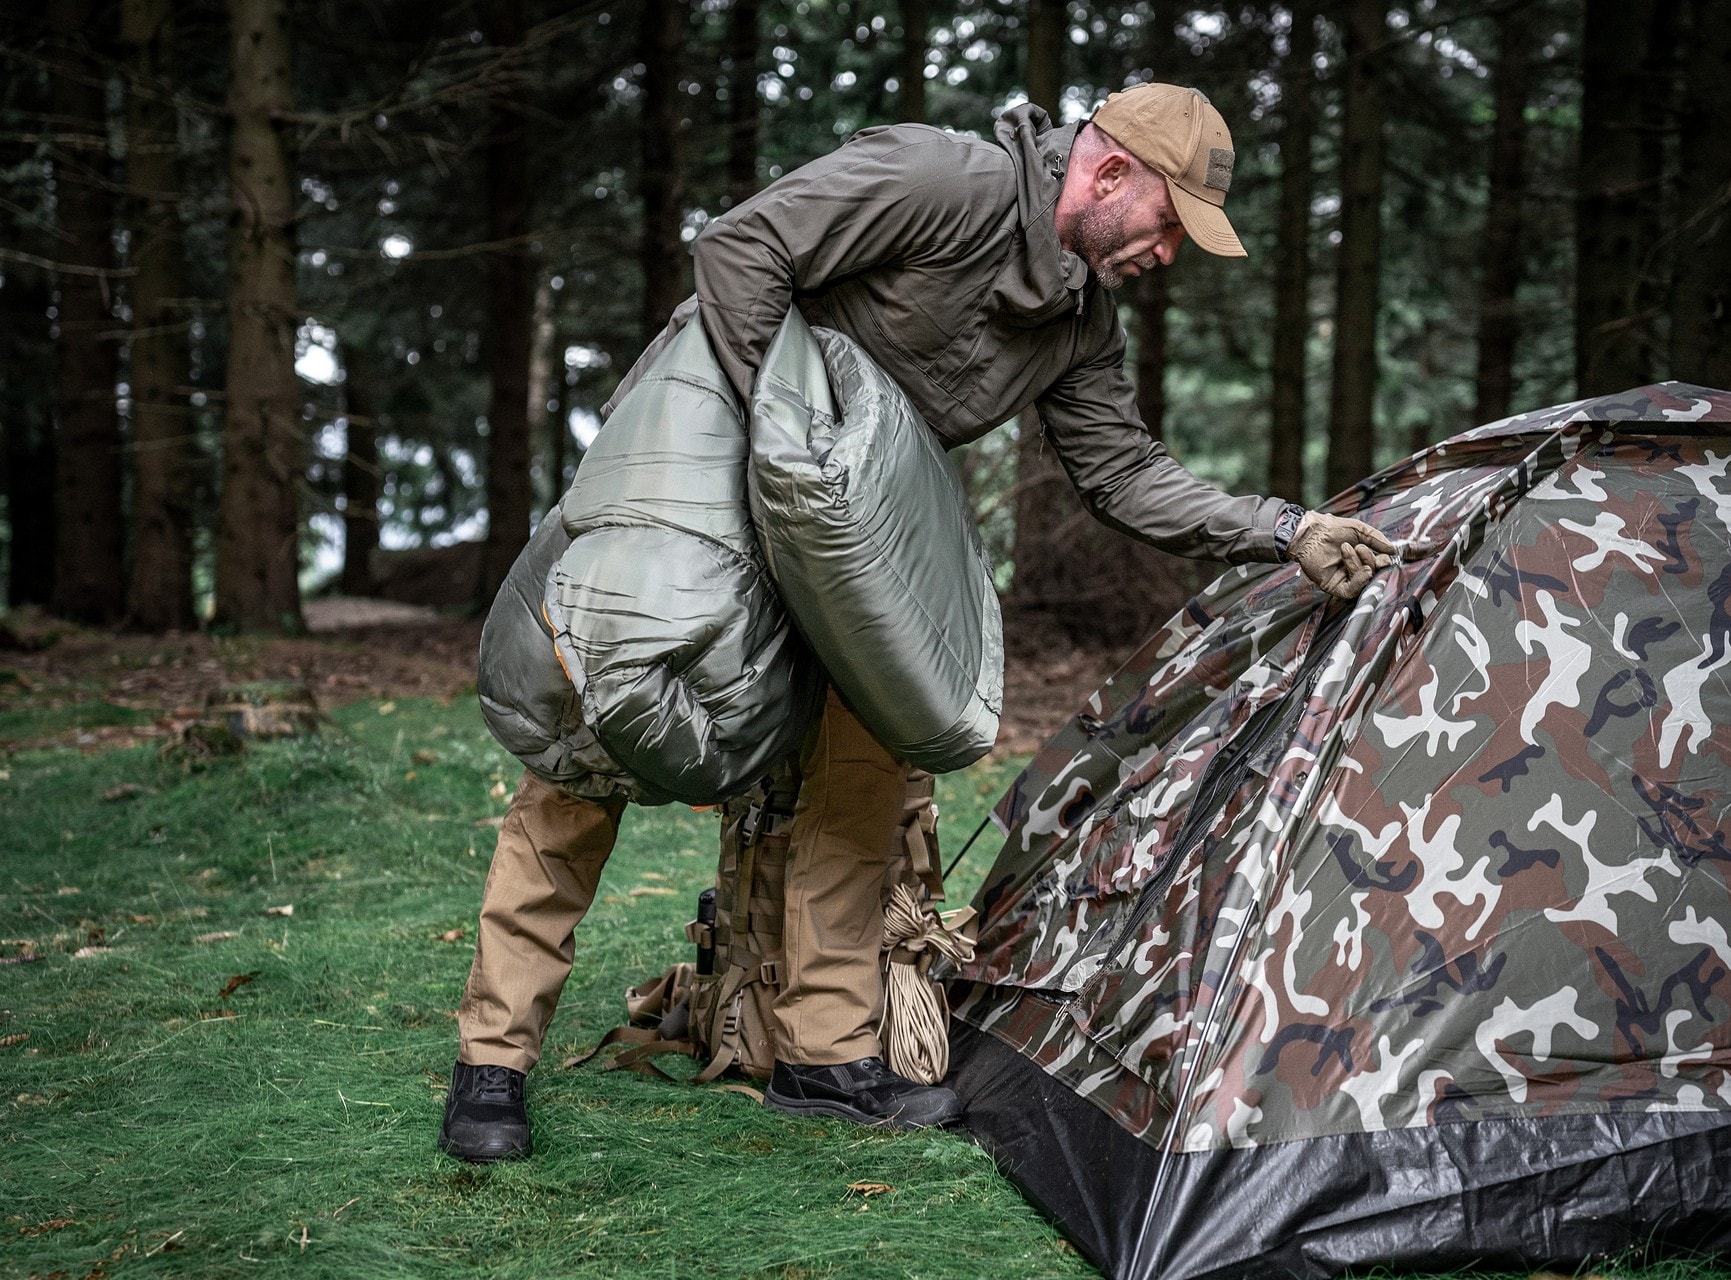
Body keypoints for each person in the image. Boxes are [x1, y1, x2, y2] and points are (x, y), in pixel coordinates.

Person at [439, 81, 1394, 1163]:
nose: (1166, 252)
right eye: (1169, 224)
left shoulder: (1081, 325)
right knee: (590, 740)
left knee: (866, 761)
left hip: (852, 526)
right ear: (1111, 171)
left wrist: (1286, 530)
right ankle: (491, 1063)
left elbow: (1125, 475)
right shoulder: (945, 180)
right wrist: (783, 444)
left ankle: (823, 1053)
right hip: (719, 449)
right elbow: (742, 249)